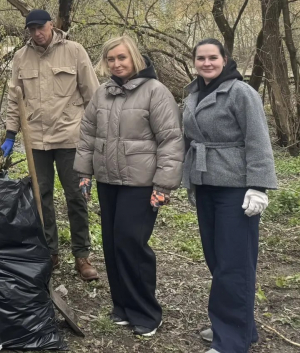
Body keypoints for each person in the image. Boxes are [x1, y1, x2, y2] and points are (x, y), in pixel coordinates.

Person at [73, 35, 183, 337]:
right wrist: (84, 172)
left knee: (131, 245)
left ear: (134, 58)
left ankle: (146, 311)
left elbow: (171, 140)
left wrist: (164, 184)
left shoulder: (155, 92)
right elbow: (88, 136)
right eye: (111, 59)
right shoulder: (103, 94)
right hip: (109, 181)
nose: (116, 64)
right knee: (111, 244)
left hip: (140, 183)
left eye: (121, 57)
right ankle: (122, 306)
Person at [183, 39, 276, 353]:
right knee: (217, 260)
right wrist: (189, 181)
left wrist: (259, 186)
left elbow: (258, 140)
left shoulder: (241, 92)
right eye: (201, 58)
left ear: (225, 59)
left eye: (213, 57)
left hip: (236, 188)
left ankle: (230, 343)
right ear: (195, 61)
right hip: (206, 184)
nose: (206, 63)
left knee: (234, 264)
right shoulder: (193, 93)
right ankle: (240, 327)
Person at [2, 9, 100, 280]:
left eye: (41, 28)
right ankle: (50, 252)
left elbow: (93, 96)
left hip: (70, 137)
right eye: (31, 29)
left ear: (52, 26)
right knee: (40, 196)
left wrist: (94, 137)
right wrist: (11, 134)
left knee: (76, 196)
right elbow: (14, 99)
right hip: (36, 140)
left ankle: (82, 256)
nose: (37, 34)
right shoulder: (21, 57)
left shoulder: (74, 51)